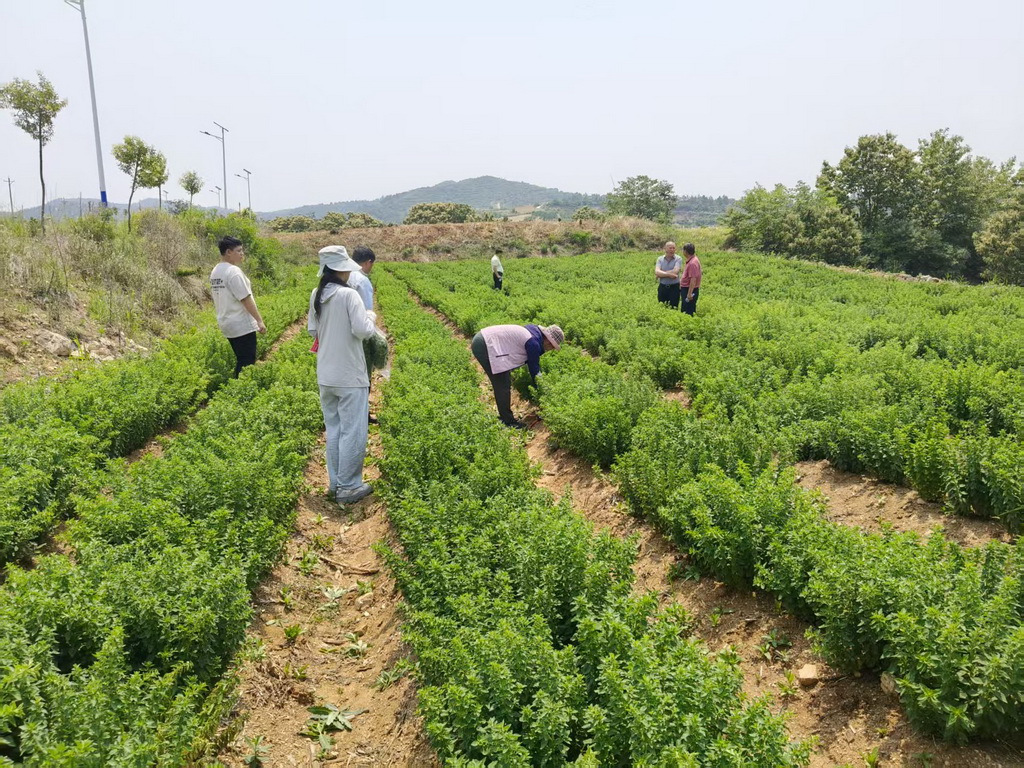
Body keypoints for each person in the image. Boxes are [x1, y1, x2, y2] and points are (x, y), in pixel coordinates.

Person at [308, 245, 378, 504]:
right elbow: (363, 331)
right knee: (353, 431)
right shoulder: (349, 295)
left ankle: (335, 483)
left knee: (335, 429)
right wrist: (370, 316)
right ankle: (349, 487)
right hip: (350, 374)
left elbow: (313, 331)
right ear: (342, 269)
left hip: (326, 374)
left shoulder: (317, 294)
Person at [471, 323, 564, 429]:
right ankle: (508, 422)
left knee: (503, 380)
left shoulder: (534, 332)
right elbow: (534, 370)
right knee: (502, 384)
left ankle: (505, 417)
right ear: (548, 341)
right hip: (484, 345)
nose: (550, 349)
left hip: (484, 338)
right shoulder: (533, 343)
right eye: (552, 346)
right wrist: (543, 390)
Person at [210, 235, 266, 377]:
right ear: (229, 252)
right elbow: (245, 298)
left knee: (241, 358)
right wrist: (259, 321)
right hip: (241, 323)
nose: (242, 254)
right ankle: (239, 387)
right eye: (239, 251)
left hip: (226, 322)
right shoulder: (233, 272)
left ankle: (237, 385)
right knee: (247, 361)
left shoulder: (216, 271)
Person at [347, 245, 379, 423]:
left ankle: (352, 412)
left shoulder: (344, 276)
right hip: (359, 335)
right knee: (363, 375)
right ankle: (362, 414)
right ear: (368, 262)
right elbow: (367, 313)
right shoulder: (362, 280)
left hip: (344, 335)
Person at [654, 241, 682, 309]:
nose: (672, 250)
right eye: (670, 248)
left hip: (674, 288)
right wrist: (669, 274)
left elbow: (675, 271)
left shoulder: (678, 259)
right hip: (662, 287)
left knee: (673, 308)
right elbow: (657, 271)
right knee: (662, 307)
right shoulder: (660, 259)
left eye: (673, 248)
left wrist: (661, 274)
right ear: (665, 249)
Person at [680, 242, 702, 316]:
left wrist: (689, 293)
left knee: (688, 311)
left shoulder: (692, 263)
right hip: (687, 289)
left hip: (689, 289)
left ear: (685, 251)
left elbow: (693, 279)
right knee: (685, 309)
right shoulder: (692, 260)